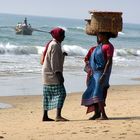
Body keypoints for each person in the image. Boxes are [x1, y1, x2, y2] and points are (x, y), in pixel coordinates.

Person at [81, 32, 114, 120]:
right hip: (94, 74)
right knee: (93, 93)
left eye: (100, 35)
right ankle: (96, 114)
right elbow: (87, 59)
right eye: (98, 35)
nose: (98, 37)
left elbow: (109, 61)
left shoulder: (108, 46)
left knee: (97, 93)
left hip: (101, 73)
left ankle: (104, 115)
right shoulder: (97, 48)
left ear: (105, 36)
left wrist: (104, 74)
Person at [41, 27, 68, 122]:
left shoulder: (53, 44)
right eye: (62, 35)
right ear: (58, 36)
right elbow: (54, 62)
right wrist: (59, 75)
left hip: (46, 73)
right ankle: (58, 115)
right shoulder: (55, 46)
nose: (64, 37)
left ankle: (45, 116)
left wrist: (62, 55)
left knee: (47, 95)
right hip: (52, 74)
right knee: (62, 93)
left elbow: (54, 58)